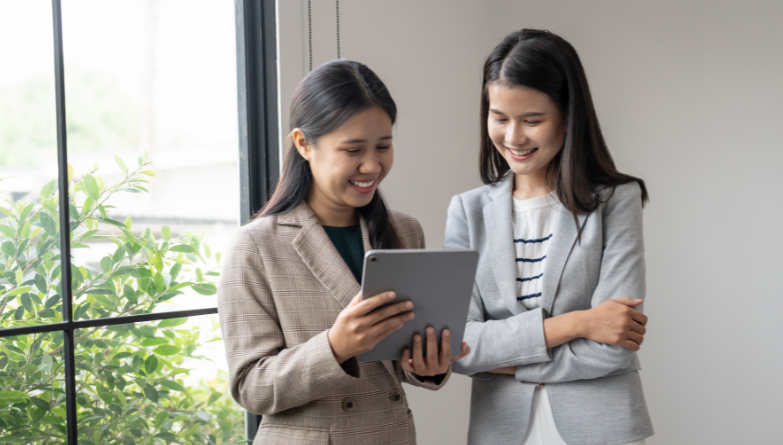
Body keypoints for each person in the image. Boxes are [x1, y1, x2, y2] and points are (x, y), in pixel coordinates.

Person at [218, 59, 469, 445]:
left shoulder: (404, 231)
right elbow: (251, 388)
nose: (372, 165)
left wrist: (429, 365)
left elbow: (397, 364)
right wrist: (336, 347)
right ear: (303, 144)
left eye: (383, 146)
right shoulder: (255, 246)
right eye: (352, 149)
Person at [445, 29, 654, 445]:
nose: (513, 137)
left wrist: (503, 358)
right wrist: (578, 323)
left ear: (568, 115)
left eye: (532, 120)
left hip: (602, 429)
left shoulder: (616, 200)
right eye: (499, 117)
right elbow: (458, 342)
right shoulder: (468, 212)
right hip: (499, 431)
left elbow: (613, 346)